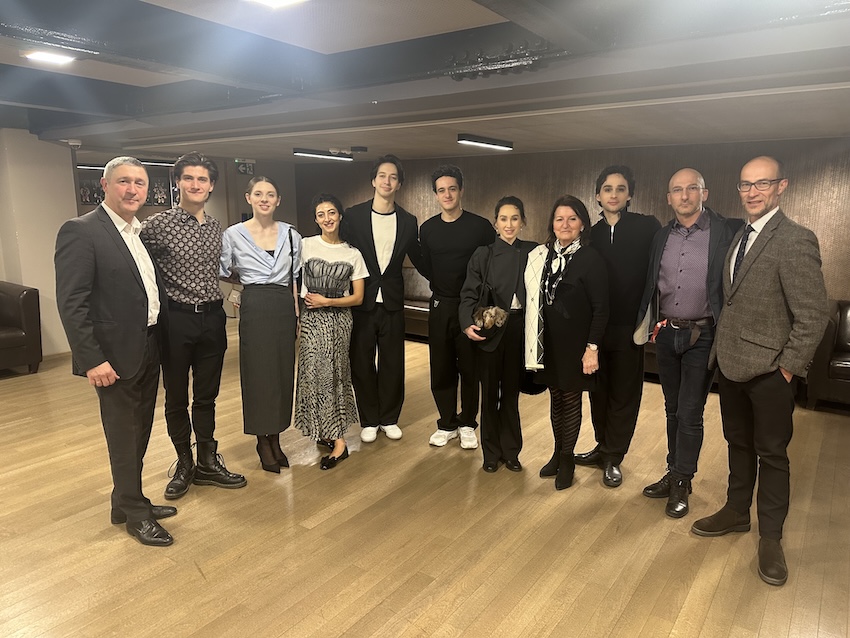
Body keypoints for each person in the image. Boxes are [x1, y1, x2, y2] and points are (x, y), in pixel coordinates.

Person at [691, 156, 828, 587]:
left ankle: (771, 538)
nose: (752, 192)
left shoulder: (795, 239)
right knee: (737, 443)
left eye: (762, 184)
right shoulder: (740, 236)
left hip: (770, 373)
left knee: (772, 455)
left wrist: (787, 369)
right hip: (730, 366)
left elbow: (814, 315)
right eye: (745, 185)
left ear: (781, 186)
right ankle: (736, 512)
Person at [55, 156, 176, 546]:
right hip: (113, 355)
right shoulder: (81, 231)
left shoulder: (136, 232)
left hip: (147, 346)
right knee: (124, 435)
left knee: (140, 430)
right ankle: (136, 515)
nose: (132, 189)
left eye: (140, 183)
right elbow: (71, 303)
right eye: (124, 181)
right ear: (105, 185)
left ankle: (124, 502)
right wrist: (91, 359)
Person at [635, 168, 743, 518]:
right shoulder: (661, 236)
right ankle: (674, 470)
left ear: (704, 193)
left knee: (690, 411)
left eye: (691, 189)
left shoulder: (725, 232)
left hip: (704, 334)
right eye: (677, 190)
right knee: (671, 408)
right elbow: (652, 282)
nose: (684, 196)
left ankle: (682, 480)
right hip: (668, 333)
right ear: (669, 198)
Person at [141, 151, 246, 499]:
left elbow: (228, 271)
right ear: (178, 182)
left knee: (206, 396)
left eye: (202, 179)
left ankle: (207, 462)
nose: (195, 184)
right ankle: (184, 463)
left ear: (211, 185)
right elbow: (135, 266)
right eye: (189, 178)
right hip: (176, 320)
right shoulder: (156, 226)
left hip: (213, 318)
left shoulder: (217, 229)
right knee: (176, 396)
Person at [576, 165, 661, 487]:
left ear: (630, 195)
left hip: (630, 327)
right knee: (598, 391)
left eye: (620, 188)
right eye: (607, 189)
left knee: (624, 394)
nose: (614, 194)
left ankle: (614, 455)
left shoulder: (646, 227)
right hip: (596, 328)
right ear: (597, 196)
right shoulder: (590, 235)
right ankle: (602, 446)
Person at [524, 196, 608, 489]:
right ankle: (557, 454)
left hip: (576, 345)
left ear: (582, 223)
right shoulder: (543, 256)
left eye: (572, 219)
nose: (565, 224)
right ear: (552, 224)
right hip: (548, 343)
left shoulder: (591, 258)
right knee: (556, 397)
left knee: (571, 399)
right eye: (559, 219)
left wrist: (592, 348)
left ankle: (567, 460)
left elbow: (601, 308)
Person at [220, 176, 302, 473]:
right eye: (258, 194)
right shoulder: (233, 234)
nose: (264, 199)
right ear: (249, 198)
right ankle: (261, 441)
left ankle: (276, 437)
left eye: (270, 194)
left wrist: (297, 314)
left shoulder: (291, 235)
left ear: (278, 200)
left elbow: (295, 279)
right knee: (257, 374)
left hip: (283, 304)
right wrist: (246, 283)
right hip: (255, 303)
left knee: (281, 373)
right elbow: (224, 269)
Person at [342, 154, 424, 443]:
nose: (387, 181)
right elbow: (341, 251)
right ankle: (369, 419)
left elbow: (419, 258)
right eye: (382, 176)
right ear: (373, 181)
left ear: (399, 184)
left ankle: (389, 418)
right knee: (361, 361)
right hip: (361, 301)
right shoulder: (353, 216)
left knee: (392, 362)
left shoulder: (408, 221)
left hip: (392, 302)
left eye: (393, 177)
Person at [419, 165, 495, 450]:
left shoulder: (480, 227)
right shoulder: (428, 229)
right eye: (441, 190)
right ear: (436, 194)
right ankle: (447, 423)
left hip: (472, 307)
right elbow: (427, 266)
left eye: (452, 188)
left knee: (470, 368)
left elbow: (491, 265)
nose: (447, 194)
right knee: (441, 367)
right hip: (440, 304)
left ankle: (467, 424)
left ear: (461, 190)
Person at [459, 196, 537, 473]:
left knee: (512, 394)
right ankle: (490, 453)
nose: (509, 224)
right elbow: (469, 293)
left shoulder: (533, 252)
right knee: (490, 393)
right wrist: (466, 323)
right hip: (492, 329)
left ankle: (511, 452)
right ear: (495, 223)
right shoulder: (483, 254)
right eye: (503, 219)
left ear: (523, 221)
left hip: (520, 329)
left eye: (515, 218)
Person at [294, 194, 368, 469]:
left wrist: (327, 301)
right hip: (311, 320)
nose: (327, 218)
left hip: (338, 321)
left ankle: (339, 442)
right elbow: (290, 278)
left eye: (332, 212)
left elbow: (358, 297)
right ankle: (324, 429)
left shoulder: (352, 253)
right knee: (311, 376)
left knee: (333, 376)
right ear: (316, 219)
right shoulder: (305, 245)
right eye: (321, 214)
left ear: (340, 216)